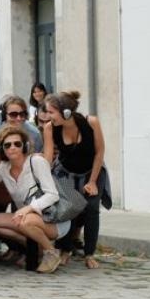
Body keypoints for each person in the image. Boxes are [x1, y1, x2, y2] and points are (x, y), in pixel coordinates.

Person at [0, 126, 70, 274]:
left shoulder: (36, 161)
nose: (13, 147)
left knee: (23, 220)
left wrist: (28, 208)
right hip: (25, 217)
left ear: (25, 145)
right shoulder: (3, 168)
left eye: (17, 144)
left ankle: (51, 252)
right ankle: (36, 245)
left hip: (54, 220)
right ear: (1, 148)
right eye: (7, 145)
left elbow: (52, 195)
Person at [42, 91, 110, 269]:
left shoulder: (91, 122)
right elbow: (48, 157)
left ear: (65, 112)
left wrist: (93, 181)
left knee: (92, 208)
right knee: (68, 208)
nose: (47, 116)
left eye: (51, 112)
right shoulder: (50, 128)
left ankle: (89, 254)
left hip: (93, 171)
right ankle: (66, 250)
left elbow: (100, 152)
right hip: (66, 172)